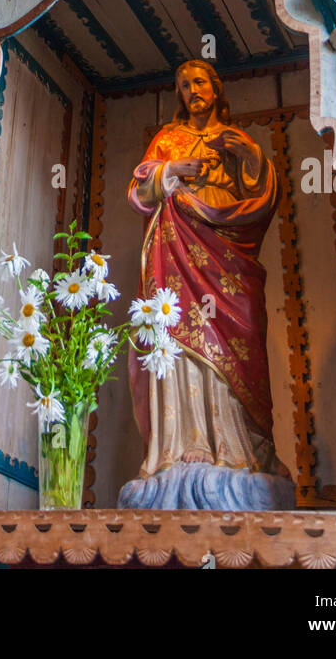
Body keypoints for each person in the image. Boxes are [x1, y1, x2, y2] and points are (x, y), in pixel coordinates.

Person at [121, 59, 293, 508]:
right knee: (176, 337)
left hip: (228, 255)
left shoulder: (237, 139)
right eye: (183, 85)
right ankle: (182, 442)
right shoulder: (167, 139)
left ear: (215, 89)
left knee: (240, 334)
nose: (191, 90)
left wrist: (251, 159)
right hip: (177, 251)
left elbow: (261, 199)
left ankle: (238, 447)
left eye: (199, 82)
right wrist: (172, 170)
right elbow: (139, 193)